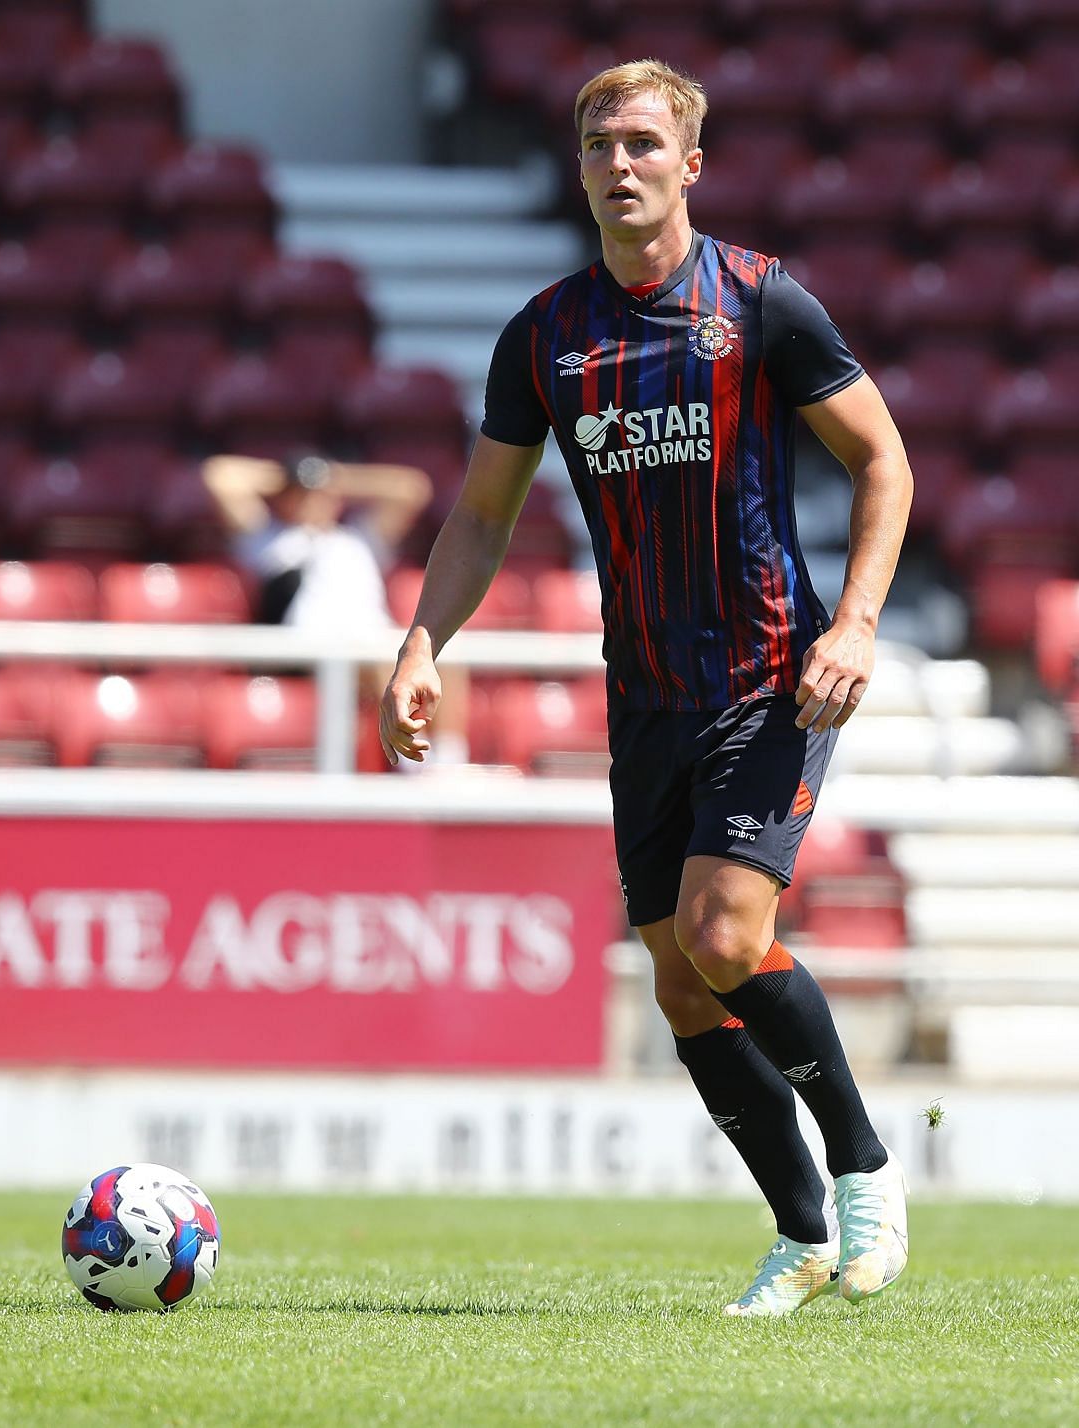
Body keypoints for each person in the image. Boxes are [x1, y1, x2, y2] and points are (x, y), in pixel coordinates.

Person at [376, 59, 915, 1315]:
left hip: (771, 675)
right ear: (576, 169)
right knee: (681, 978)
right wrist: (420, 644)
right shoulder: (547, 337)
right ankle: (798, 1235)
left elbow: (884, 461)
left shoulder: (762, 305)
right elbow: (482, 514)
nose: (620, 165)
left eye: (642, 144)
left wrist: (860, 624)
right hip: (648, 697)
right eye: (599, 146)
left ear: (689, 165)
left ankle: (867, 1171)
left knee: (729, 934)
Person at [204, 450, 469, 766]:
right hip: (310, 645)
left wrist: (332, 477)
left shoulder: (360, 537)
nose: (310, 501)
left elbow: (410, 487)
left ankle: (450, 761)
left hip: (372, 638)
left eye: (318, 495)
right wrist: (293, 475)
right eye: (299, 496)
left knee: (447, 657)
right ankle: (415, 765)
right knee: (389, 666)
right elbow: (220, 476)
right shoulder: (269, 540)